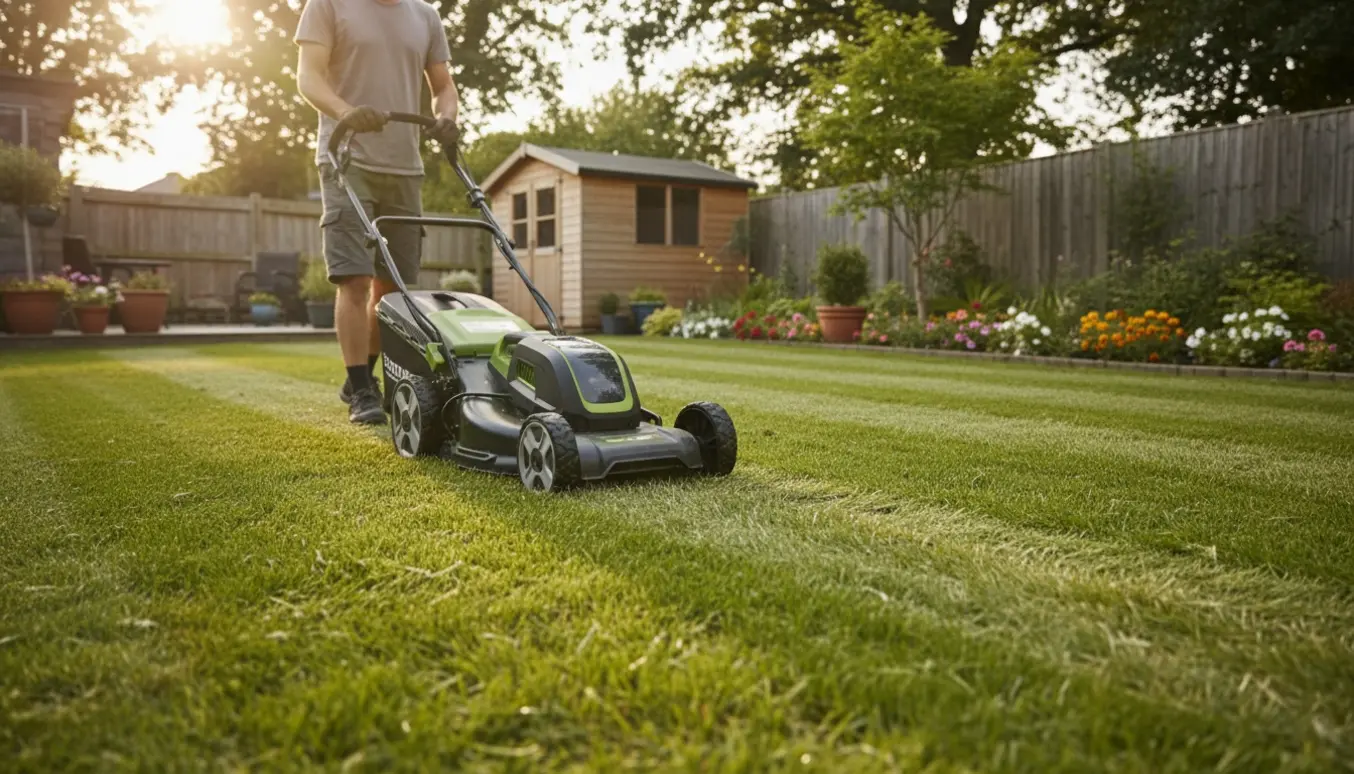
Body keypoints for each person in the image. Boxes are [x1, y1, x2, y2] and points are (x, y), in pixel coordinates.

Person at [294, 0, 459, 424]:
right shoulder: (329, 5)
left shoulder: (425, 16)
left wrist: (446, 117)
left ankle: (360, 377)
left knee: (391, 288)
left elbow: (443, 85)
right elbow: (308, 77)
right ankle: (364, 391)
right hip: (347, 159)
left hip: (405, 165)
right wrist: (347, 113)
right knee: (354, 277)